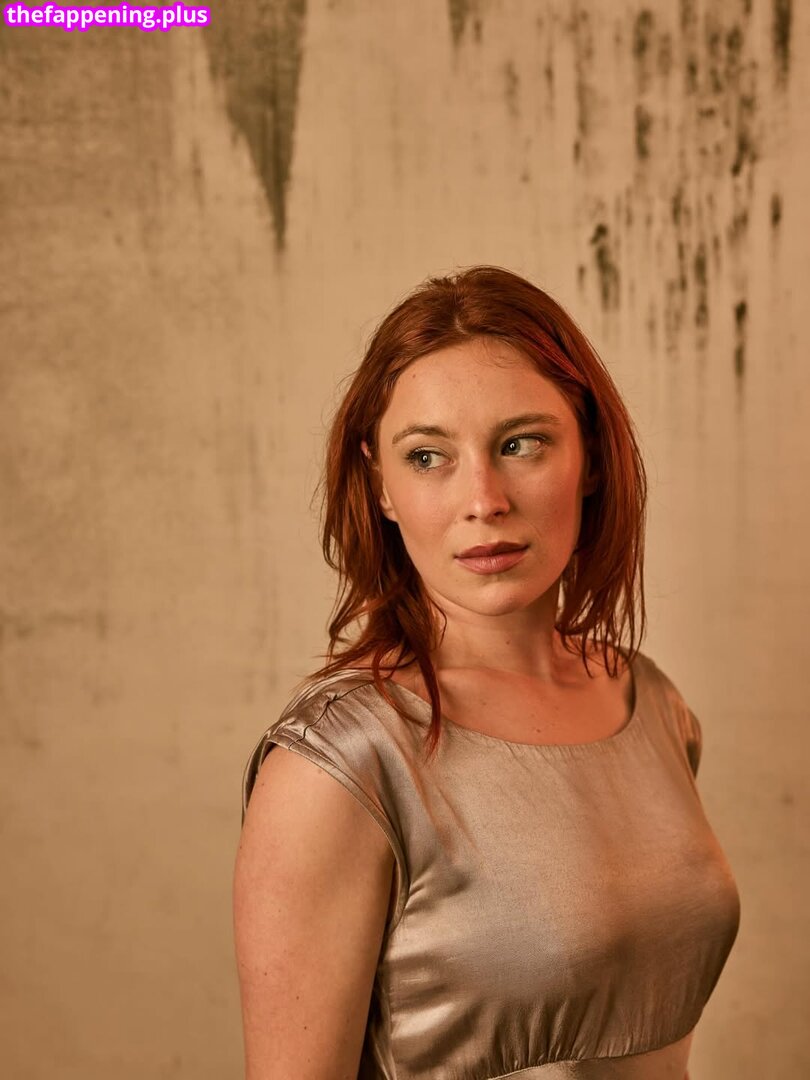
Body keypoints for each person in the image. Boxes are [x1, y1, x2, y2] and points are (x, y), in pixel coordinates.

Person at [233, 265, 741, 1079]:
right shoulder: (340, 764)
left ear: (591, 456)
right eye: (428, 456)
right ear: (382, 486)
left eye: (520, 444)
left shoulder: (653, 706)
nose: (484, 499)